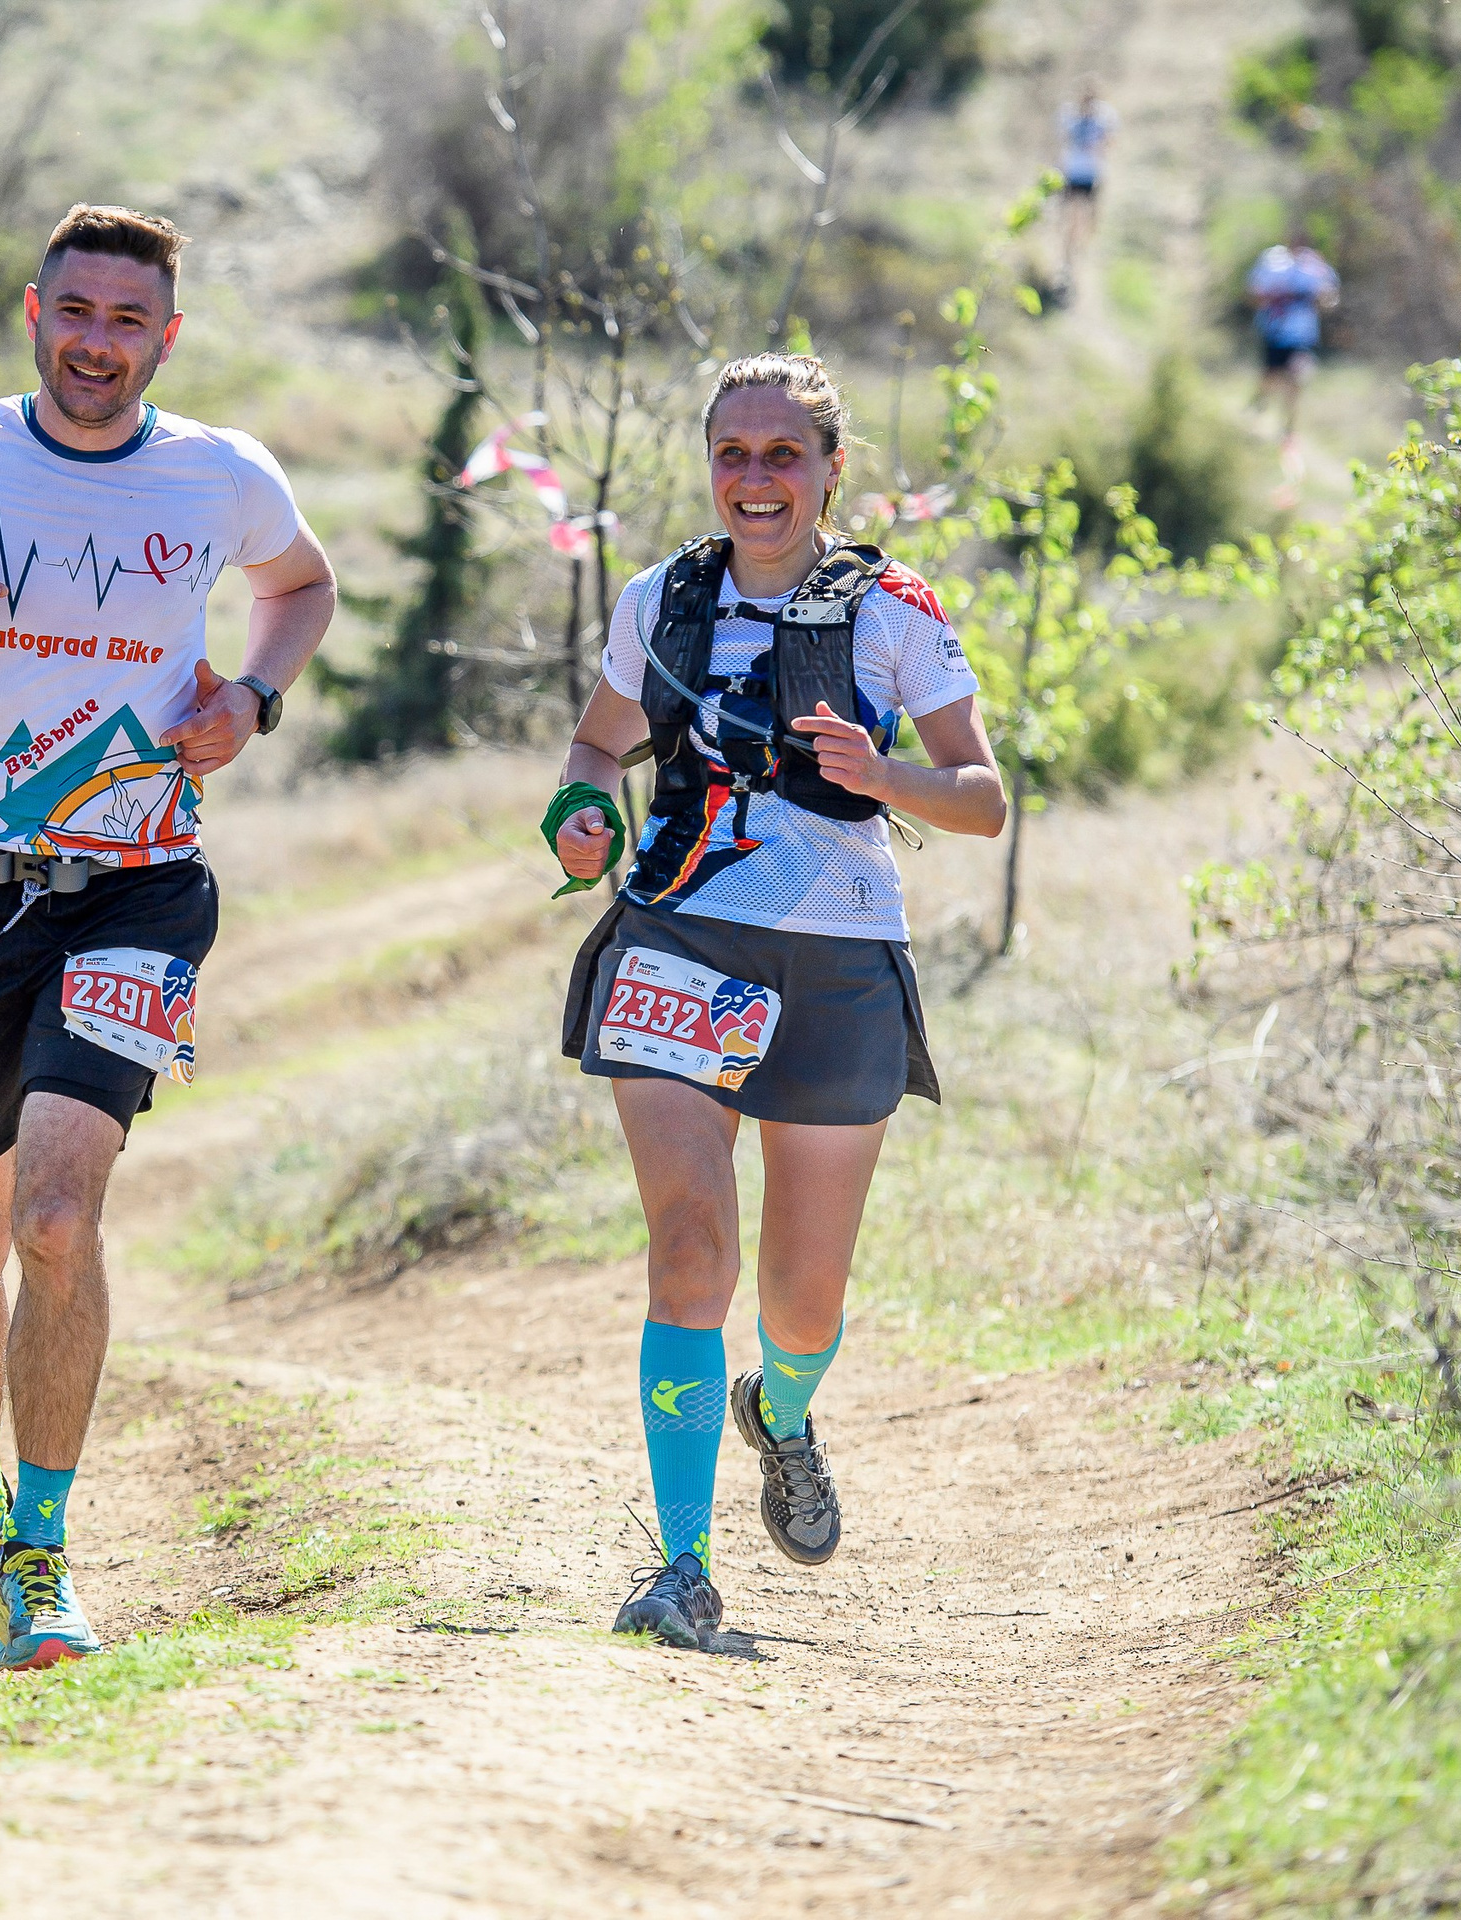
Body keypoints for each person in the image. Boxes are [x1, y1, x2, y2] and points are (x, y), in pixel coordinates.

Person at [0, 204, 337, 1675]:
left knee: (54, 1217)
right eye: (77, 311)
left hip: (138, 885)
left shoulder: (220, 474)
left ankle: (44, 1549)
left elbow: (302, 589)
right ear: (33, 311)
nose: (99, 343)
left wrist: (255, 701)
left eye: (129, 320)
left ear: (168, 336)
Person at [543, 354, 1007, 1650]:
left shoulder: (896, 611)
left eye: (783, 456)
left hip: (840, 961)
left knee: (803, 1300)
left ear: (829, 470)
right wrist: (583, 811)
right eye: (734, 455)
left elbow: (984, 800)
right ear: (709, 465)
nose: (757, 479)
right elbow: (598, 743)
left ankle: (784, 1412)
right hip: (677, 936)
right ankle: (682, 1566)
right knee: (691, 1245)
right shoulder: (662, 599)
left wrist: (883, 769)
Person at [1247, 225, 1341, 452]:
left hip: (1302, 335)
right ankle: (1259, 402)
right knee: (1271, 375)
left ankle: (1288, 428)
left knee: (1297, 376)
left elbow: (1331, 297)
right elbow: (1253, 294)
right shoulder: (1273, 263)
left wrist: (1322, 298)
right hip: (1274, 331)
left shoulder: (1316, 268)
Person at [1055, 83, 1116, 295]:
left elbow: (1110, 143)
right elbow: (1064, 139)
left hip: (1091, 174)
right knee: (1073, 215)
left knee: (1088, 217)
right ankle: (1069, 256)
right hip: (1073, 173)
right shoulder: (1070, 116)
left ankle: (1078, 252)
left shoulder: (1103, 118)